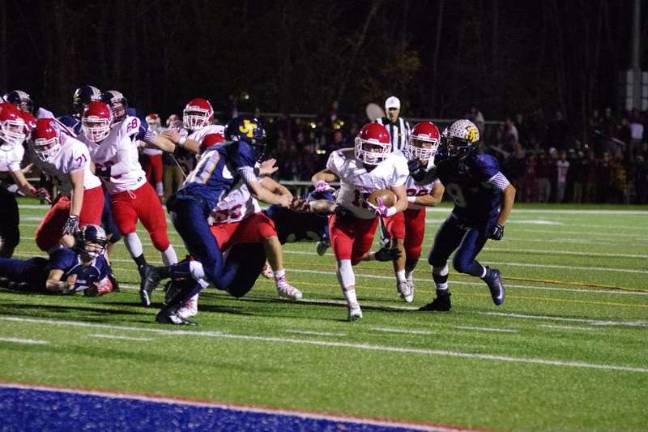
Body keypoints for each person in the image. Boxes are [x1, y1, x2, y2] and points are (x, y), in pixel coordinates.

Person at [149, 116, 293, 323]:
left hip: (191, 206)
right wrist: (280, 201)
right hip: (194, 206)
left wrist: (261, 171)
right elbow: (258, 191)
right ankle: (158, 274)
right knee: (211, 266)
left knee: (218, 274)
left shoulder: (220, 150)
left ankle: (169, 309)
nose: (255, 148)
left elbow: (237, 170)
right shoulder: (239, 150)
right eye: (253, 142)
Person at [411, 119, 515, 311]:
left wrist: (500, 224)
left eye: (455, 142)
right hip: (461, 213)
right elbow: (428, 179)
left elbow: (509, 190)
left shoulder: (483, 163)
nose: (449, 146)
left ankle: (490, 275)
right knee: (436, 258)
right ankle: (443, 298)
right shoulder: (446, 160)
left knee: (462, 263)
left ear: (469, 145)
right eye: (449, 141)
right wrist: (418, 174)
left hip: (483, 217)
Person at [311, 122, 409, 320]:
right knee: (344, 260)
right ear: (358, 144)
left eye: (376, 147)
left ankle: (331, 242)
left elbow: (403, 200)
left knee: (355, 259)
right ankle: (353, 305)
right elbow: (320, 175)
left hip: (368, 221)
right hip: (343, 217)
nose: (372, 152)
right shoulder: (344, 159)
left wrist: (388, 210)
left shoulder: (393, 164)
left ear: (386, 149)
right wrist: (320, 183)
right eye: (368, 146)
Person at [79, 100, 178, 295]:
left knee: (160, 239)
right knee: (126, 230)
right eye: (90, 123)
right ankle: (143, 269)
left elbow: (123, 166)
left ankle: (178, 278)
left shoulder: (122, 129)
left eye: (98, 123)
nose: (94, 128)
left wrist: (98, 170)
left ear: (108, 121)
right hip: (118, 196)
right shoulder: (82, 140)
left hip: (141, 189)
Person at [30, 118, 104, 252]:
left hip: (87, 192)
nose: (45, 150)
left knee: (90, 241)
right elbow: (49, 170)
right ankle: (62, 264)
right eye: (41, 146)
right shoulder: (32, 145)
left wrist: (73, 216)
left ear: (58, 137)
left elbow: (78, 185)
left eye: (48, 144)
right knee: (44, 238)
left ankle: (103, 271)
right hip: (66, 194)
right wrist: (45, 188)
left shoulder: (73, 149)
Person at [397, 121, 445, 292]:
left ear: (435, 145)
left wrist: (406, 199)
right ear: (411, 141)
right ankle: (401, 279)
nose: (423, 147)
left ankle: (408, 273)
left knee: (414, 251)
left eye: (428, 143)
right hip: (397, 210)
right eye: (419, 142)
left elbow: (435, 199)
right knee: (396, 242)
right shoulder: (399, 158)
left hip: (416, 212)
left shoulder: (438, 165)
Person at [0, 225, 114, 296]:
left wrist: (95, 290)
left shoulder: (100, 263)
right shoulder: (68, 256)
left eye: (100, 243)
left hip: (36, 286)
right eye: (92, 242)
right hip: (29, 272)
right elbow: (50, 283)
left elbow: (98, 287)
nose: (96, 246)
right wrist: (64, 286)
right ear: (81, 240)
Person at [0, 103, 50, 257]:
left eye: (18, 127)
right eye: (12, 126)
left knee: (11, 236)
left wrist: (35, 193)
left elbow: (21, 183)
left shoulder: (13, 149)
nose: (17, 132)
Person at [141, 113, 165, 199]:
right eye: (150, 123)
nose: (152, 125)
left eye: (153, 123)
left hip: (157, 156)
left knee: (158, 178)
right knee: (146, 177)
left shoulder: (160, 130)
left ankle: (160, 197)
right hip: (146, 156)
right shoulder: (144, 130)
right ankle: (145, 196)